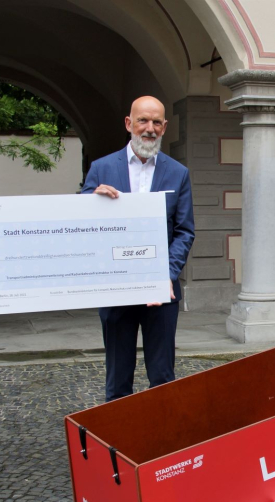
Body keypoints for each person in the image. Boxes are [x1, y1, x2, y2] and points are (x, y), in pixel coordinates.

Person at [82, 96, 195, 401]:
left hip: (161, 292)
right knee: (118, 378)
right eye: (143, 121)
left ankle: (161, 441)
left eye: (157, 122)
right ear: (129, 124)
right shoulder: (101, 169)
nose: (150, 128)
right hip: (115, 288)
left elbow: (184, 231)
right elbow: (80, 223)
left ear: (165, 127)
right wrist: (91, 201)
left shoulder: (178, 173)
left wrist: (165, 276)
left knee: (162, 375)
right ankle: (118, 442)